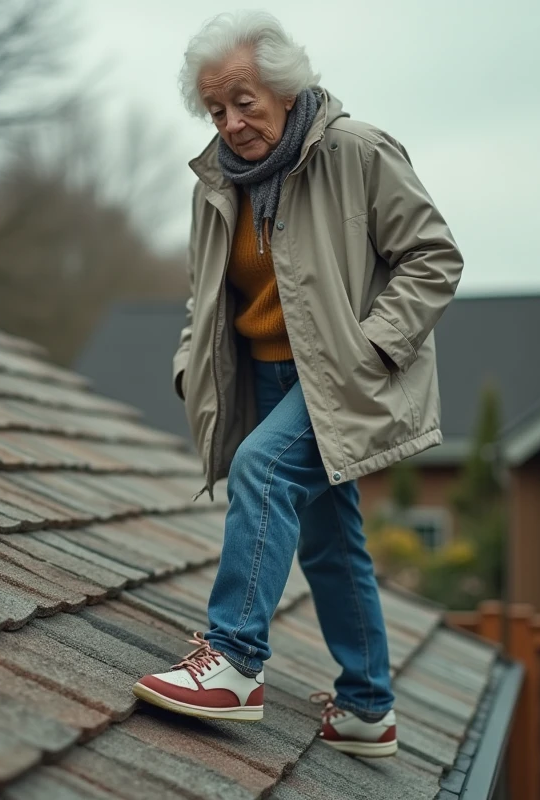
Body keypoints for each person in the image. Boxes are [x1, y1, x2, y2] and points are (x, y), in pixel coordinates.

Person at [132, 11, 463, 758]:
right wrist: (191, 359)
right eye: (216, 107)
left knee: (263, 469)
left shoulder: (357, 152)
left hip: (342, 379)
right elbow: (205, 289)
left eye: (244, 100)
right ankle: (367, 708)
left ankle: (235, 662)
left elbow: (434, 258)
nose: (231, 120)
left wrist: (374, 348)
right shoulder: (216, 179)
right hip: (265, 378)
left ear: (284, 88)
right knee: (330, 538)